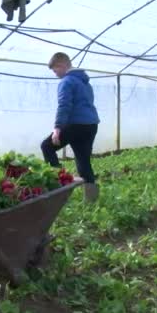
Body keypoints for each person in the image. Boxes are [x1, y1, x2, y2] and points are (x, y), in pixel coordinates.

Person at [41, 52, 100, 202]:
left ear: (62, 65)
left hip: (76, 124)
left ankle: (58, 185)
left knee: (47, 147)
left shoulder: (66, 82)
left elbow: (64, 105)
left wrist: (57, 128)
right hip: (91, 125)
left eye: (55, 70)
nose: (55, 74)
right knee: (83, 160)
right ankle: (91, 200)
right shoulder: (85, 82)